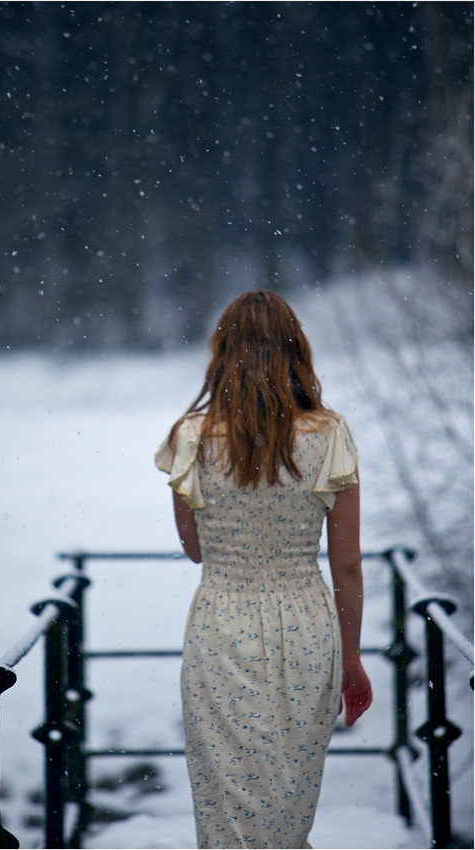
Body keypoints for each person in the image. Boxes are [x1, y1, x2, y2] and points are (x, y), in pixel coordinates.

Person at [154, 290, 373, 849]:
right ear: (295, 350)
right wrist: (350, 656)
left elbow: (196, 549)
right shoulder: (329, 435)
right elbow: (346, 562)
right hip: (306, 627)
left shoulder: (192, 437)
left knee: (228, 806)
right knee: (287, 803)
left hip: (221, 626)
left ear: (223, 353)